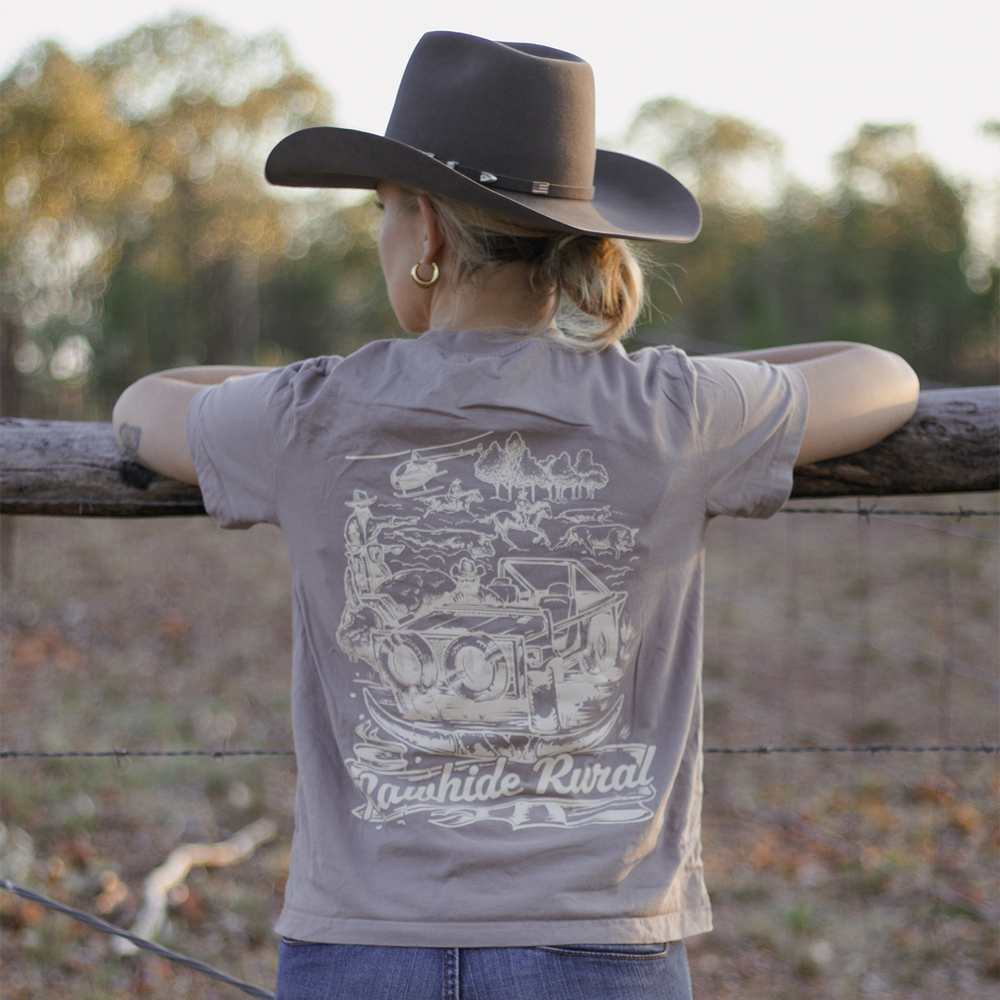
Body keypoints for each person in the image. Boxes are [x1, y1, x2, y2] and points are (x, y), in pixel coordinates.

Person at [112, 31, 919, 1000]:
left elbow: (145, 406)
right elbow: (884, 377)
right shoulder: (672, 410)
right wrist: (711, 383)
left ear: (428, 235)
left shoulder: (311, 414)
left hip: (363, 948)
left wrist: (300, 391)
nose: (379, 235)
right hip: (599, 946)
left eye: (382, 212)